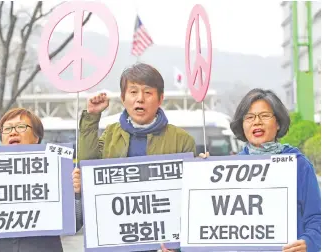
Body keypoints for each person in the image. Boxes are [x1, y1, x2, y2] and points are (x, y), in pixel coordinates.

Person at [78, 63, 196, 252]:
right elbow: (86, 168)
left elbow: (192, 201)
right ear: (123, 98)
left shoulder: (182, 140)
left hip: (162, 244)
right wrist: (92, 117)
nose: (140, 99)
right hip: (117, 240)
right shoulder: (109, 135)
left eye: (148, 93)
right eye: (133, 92)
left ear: (160, 99)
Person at [200, 88, 320, 252]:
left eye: (264, 116)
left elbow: (315, 217)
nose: (257, 122)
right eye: (249, 117)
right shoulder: (229, 170)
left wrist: (309, 241)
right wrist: (201, 173)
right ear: (242, 125)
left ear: (278, 123)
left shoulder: (299, 165)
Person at [0, 108, 83, 252]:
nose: (13, 132)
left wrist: (76, 194)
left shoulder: (57, 168)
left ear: (37, 137)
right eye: (7, 128)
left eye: (21, 127)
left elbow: (74, 223)